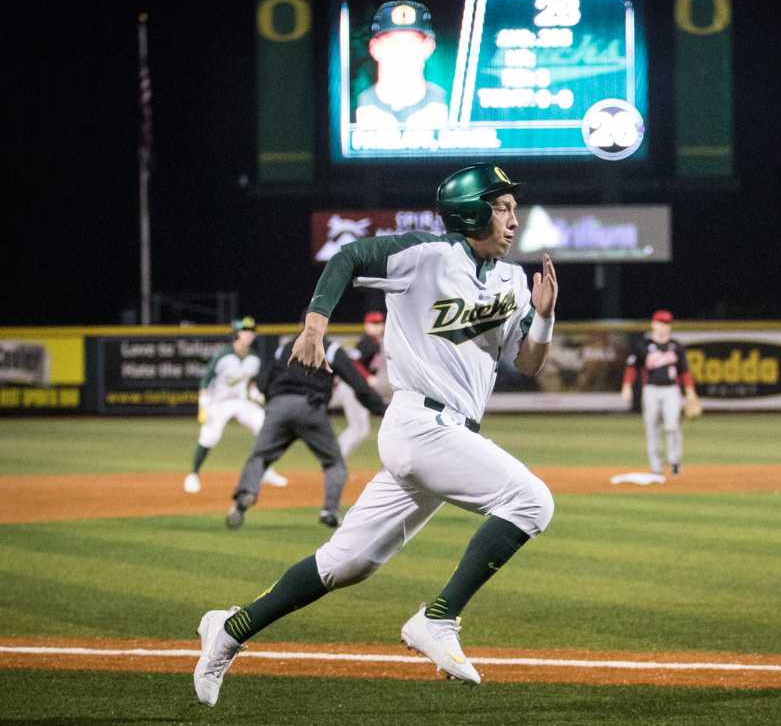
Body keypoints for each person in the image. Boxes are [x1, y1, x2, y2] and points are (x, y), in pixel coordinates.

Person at [193, 163, 558, 706]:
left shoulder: (509, 280)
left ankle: (229, 629)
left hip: (448, 435)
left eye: (511, 207)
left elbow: (527, 364)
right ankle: (438, 619)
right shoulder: (426, 255)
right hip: (418, 423)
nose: (513, 218)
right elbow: (348, 256)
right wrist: (315, 323)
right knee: (531, 500)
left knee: (347, 564)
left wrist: (544, 319)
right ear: (472, 212)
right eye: (501, 207)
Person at [224, 315, 387, 530]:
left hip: (278, 407)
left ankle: (244, 497)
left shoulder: (284, 348)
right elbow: (358, 385)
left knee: (260, 456)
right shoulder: (330, 348)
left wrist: (274, 400)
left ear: (301, 326)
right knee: (334, 462)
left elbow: (263, 381)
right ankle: (329, 511)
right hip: (311, 407)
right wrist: (382, 409)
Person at [183, 317, 287, 494]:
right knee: (210, 436)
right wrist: (204, 406)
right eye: (245, 331)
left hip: (240, 401)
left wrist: (256, 395)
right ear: (236, 334)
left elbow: (251, 384)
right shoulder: (223, 356)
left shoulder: (254, 358)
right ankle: (193, 475)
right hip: (219, 402)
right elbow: (205, 382)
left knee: (265, 426)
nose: (249, 335)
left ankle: (265, 470)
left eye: (251, 331)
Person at [620, 310, 699, 477]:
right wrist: (627, 386)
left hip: (672, 390)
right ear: (654, 324)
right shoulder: (643, 345)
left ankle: (674, 462)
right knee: (652, 428)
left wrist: (690, 392)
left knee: (672, 426)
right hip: (651, 390)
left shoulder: (676, 346)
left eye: (667, 323)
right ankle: (655, 466)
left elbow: (684, 372)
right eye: (661, 323)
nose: (664, 326)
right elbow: (632, 367)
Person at [356, 0, 448, 130]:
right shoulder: (350, 107)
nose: (403, 52)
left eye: (412, 43)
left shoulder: (451, 104)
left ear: (429, 47)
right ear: (374, 48)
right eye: (393, 43)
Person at [329, 310, 387, 461]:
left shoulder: (378, 343)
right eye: (373, 323)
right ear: (366, 325)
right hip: (351, 386)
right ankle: (336, 461)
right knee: (358, 428)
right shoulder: (366, 342)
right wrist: (367, 377)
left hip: (356, 387)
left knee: (361, 429)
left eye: (380, 323)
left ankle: (336, 460)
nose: (377, 326)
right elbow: (352, 362)